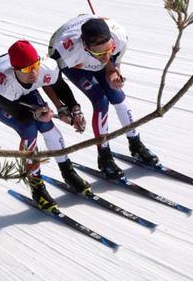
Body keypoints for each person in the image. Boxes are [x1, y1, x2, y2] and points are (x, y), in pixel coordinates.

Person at [0, 40, 90, 212]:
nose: (34, 72)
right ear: (15, 70)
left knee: (47, 125)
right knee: (29, 129)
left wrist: (73, 108)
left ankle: (68, 172)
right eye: (28, 69)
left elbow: (61, 88)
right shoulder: (1, 84)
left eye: (35, 64)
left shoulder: (45, 67)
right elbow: (19, 114)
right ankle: (36, 187)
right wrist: (35, 113)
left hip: (22, 89)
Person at [48, 15, 158, 179]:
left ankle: (136, 144)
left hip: (89, 54)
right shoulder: (64, 51)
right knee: (101, 100)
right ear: (85, 45)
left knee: (117, 95)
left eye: (109, 50)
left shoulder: (119, 37)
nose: (106, 56)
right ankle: (104, 157)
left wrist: (113, 70)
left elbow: (111, 59)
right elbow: (52, 82)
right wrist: (68, 107)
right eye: (100, 53)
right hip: (76, 64)